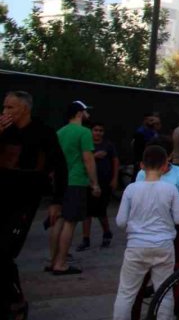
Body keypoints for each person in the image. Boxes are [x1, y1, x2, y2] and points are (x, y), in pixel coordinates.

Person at [0, 91, 67, 319]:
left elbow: (60, 166)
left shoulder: (43, 133)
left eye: (10, 108)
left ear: (25, 109)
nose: (5, 113)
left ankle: (16, 300)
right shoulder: (3, 131)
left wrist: (57, 201)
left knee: (5, 252)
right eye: (4, 107)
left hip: (25, 203)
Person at [112, 145, 179, 320]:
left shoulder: (131, 189)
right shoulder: (170, 190)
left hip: (136, 246)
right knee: (164, 292)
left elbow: (120, 221)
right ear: (164, 166)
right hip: (164, 246)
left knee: (126, 293)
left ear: (141, 165)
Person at [132, 136, 179, 320]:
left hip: (175, 227)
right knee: (141, 276)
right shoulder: (142, 174)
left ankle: (178, 313)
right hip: (149, 229)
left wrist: (174, 212)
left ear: (170, 156)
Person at [50, 100, 101, 275]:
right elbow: (88, 159)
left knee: (59, 220)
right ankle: (61, 263)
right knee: (70, 223)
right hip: (76, 180)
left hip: (61, 181)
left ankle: (53, 260)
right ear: (79, 113)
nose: (88, 115)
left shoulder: (60, 132)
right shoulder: (84, 132)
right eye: (86, 111)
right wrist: (94, 183)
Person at [77, 121, 119, 251]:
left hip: (104, 182)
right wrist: (94, 156)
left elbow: (115, 161)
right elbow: (82, 161)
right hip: (88, 182)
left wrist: (114, 178)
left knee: (101, 211)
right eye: (96, 130)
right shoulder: (86, 144)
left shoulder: (108, 145)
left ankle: (106, 233)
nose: (98, 133)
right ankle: (85, 239)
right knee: (86, 212)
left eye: (100, 130)